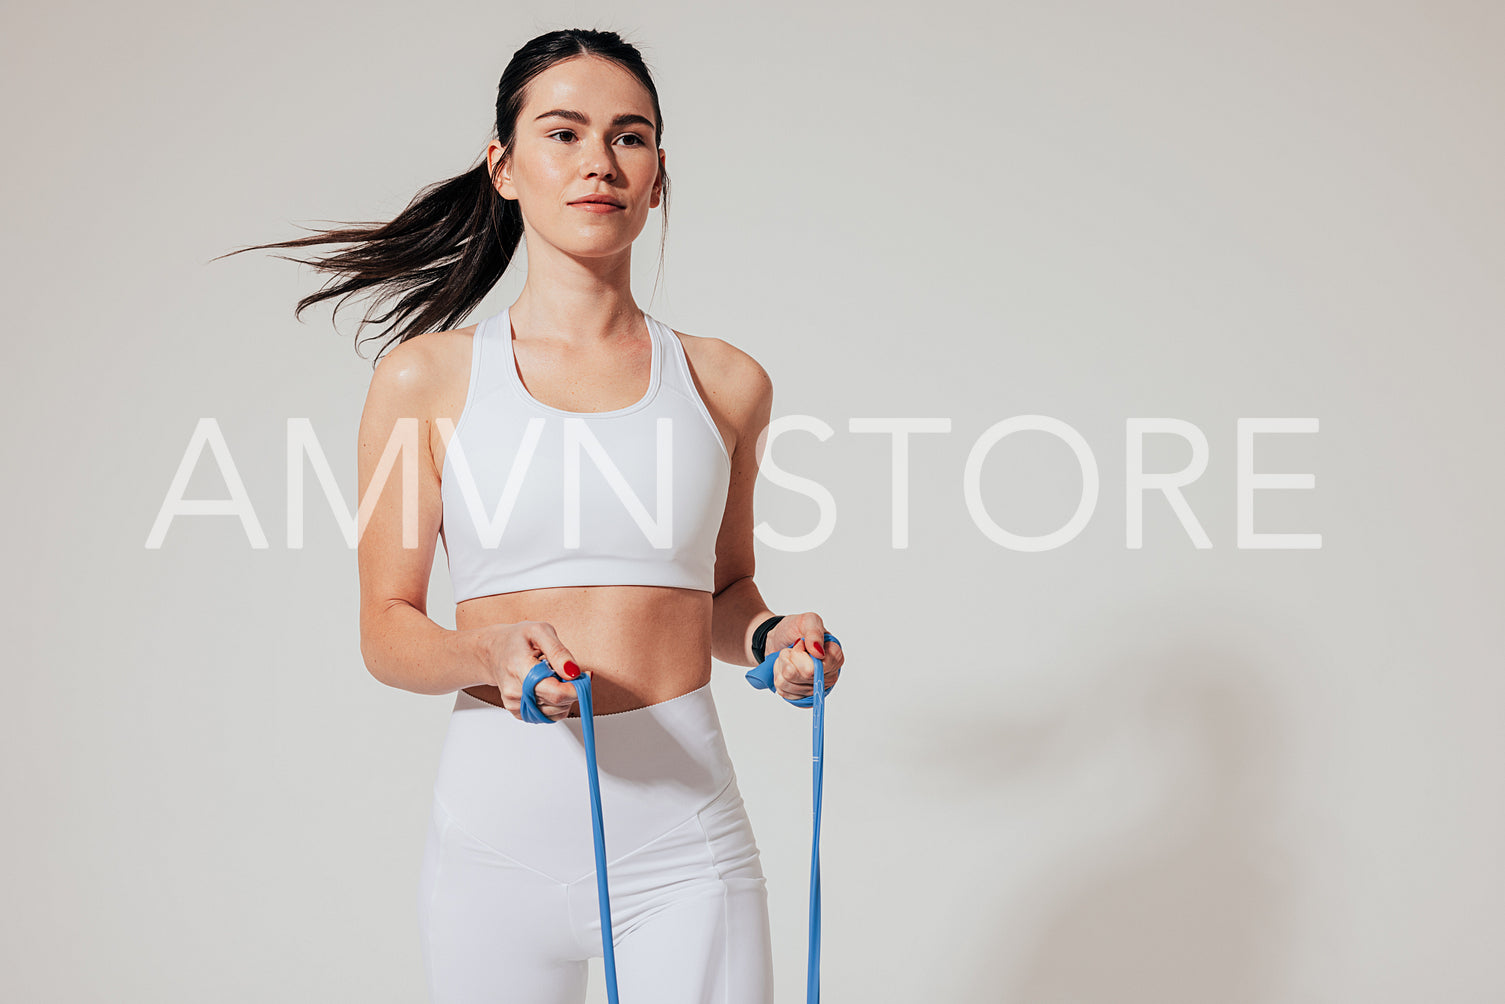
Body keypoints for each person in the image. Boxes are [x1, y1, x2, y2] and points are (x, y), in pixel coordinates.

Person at [233, 28, 845, 1003]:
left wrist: (774, 635)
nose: (598, 161)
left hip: (685, 848)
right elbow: (386, 628)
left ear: (656, 178)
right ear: (504, 166)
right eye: (562, 133)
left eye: (629, 136)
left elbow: (722, 592)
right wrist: (488, 653)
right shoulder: (424, 379)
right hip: (492, 850)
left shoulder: (725, 382)